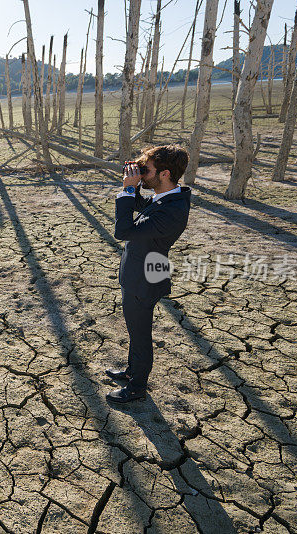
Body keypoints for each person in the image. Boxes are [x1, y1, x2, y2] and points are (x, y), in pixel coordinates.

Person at [106, 144, 192, 403]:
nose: (141, 173)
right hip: (138, 273)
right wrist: (134, 185)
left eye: (146, 169)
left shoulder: (172, 210)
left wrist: (129, 189)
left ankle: (137, 387)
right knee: (135, 330)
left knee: (140, 334)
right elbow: (145, 205)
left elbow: (124, 231)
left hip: (144, 279)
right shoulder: (167, 197)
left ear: (164, 174)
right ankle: (133, 371)